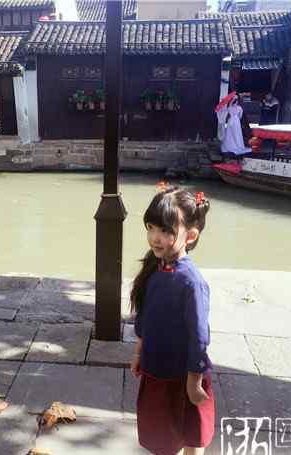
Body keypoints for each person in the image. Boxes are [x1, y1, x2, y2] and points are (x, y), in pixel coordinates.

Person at [130, 187, 214, 455]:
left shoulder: (191, 281)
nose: (155, 238)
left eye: (166, 231)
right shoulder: (155, 267)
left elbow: (199, 335)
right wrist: (138, 351)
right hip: (157, 368)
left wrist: (194, 379)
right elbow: (145, 314)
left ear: (190, 235)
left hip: (182, 373)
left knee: (191, 434)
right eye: (151, 227)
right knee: (163, 435)